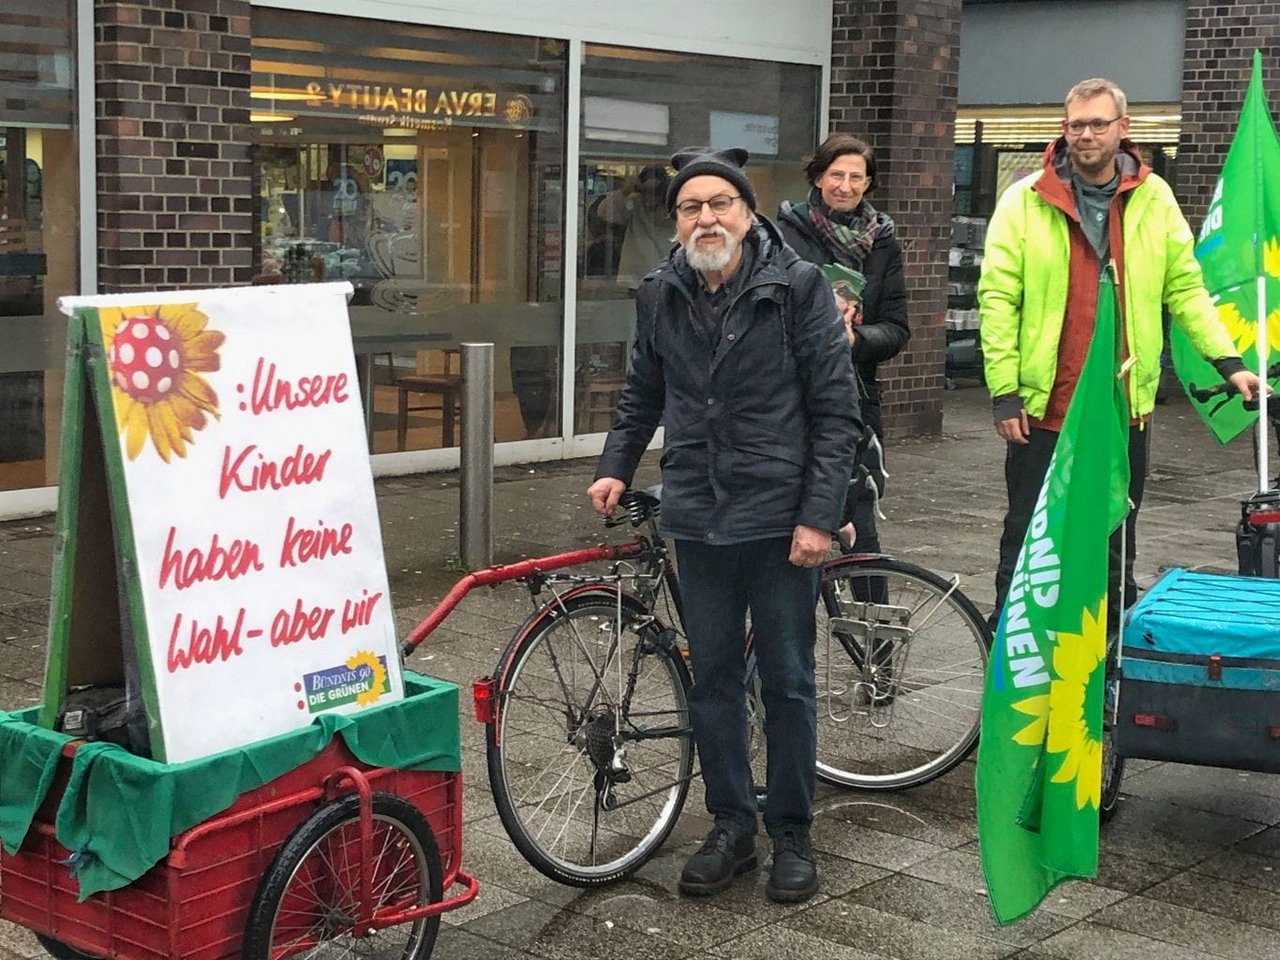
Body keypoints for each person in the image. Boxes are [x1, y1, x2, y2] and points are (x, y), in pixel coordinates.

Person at [587, 146, 861, 903]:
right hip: (699, 516)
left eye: (719, 204)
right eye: (690, 208)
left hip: (778, 519)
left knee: (788, 682)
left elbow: (836, 411)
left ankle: (793, 833)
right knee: (711, 681)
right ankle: (731, 826)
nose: (706, 218)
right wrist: (616, 464)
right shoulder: (660, 292)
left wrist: (818, 516)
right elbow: (643, 391)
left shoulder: (798, 287)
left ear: (747, 212)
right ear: (676, 222)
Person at [979, 77, 1262, 632]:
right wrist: (1004, 391)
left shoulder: (1154, 198)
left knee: (1115, 536)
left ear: (1122, 128)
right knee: (1029, 533)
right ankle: (1012, 647)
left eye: (1097, 124)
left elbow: (1186, 288)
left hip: (1122, 406)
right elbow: (997, 300)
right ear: (1064, 129)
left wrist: (1228, 363)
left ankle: (1108, 652)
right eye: (1076, 124)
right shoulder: (1025, 199)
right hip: (1044, 407)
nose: (1085, 135)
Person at [778, 134, 908, 552]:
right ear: (818, 177)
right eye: (836, 175)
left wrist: (856, 339)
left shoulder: (883, 243)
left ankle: (871, 597)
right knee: (791, 522)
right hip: (790, 395)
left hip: (855, 396)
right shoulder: (783, 236)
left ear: (868, 183)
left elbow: (897, 328)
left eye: (856, 177)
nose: (845, 186)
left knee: (860, 520)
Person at [596, 165, 676, 289]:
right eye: (647, 191)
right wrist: (626, 190)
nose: (652, 197)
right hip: (636, 277)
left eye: (657, 191)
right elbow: (604, 212)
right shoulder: (634, 202)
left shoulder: (673, 206)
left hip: (668, 274)